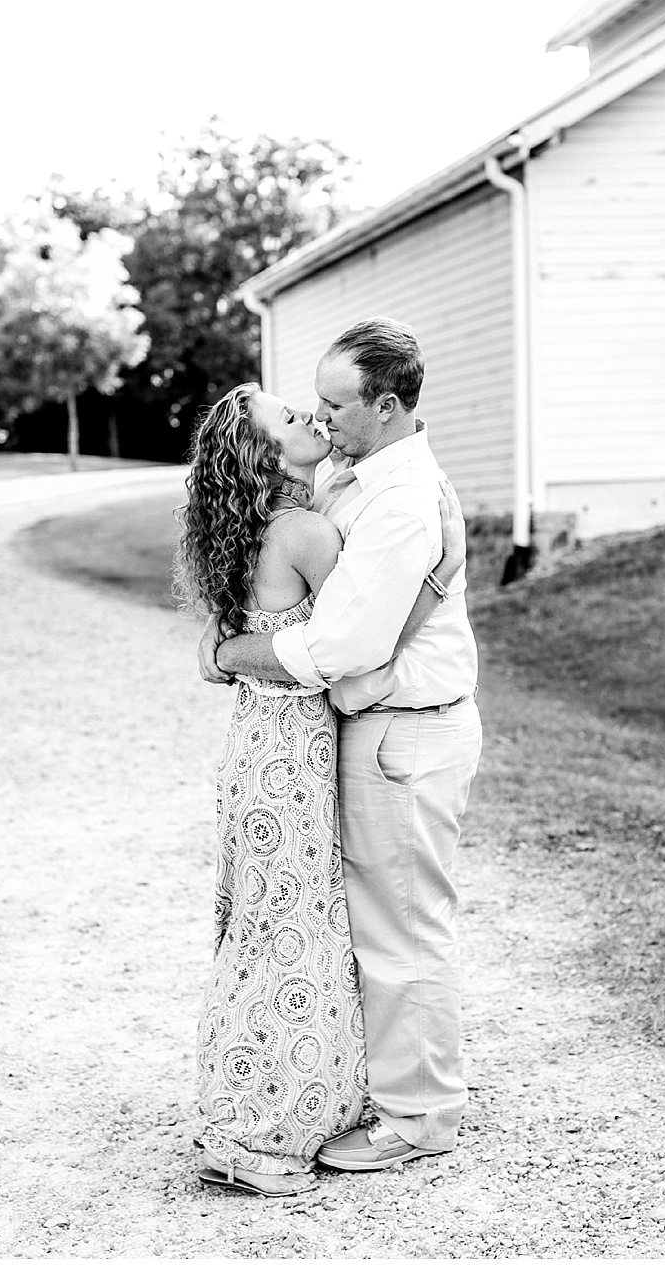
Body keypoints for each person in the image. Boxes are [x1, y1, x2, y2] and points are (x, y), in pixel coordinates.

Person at [206, 315, 482, 1176]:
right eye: (311, 404)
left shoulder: (398, 501)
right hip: (376, 728)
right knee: (369, 921)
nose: (320, 419)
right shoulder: (354, 478)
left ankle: (420, 1117)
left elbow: (338, 649)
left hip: (406, 729)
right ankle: (370, 1085)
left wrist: (228, 655)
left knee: (403, 927)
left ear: (389, 405)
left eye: (334, 404)